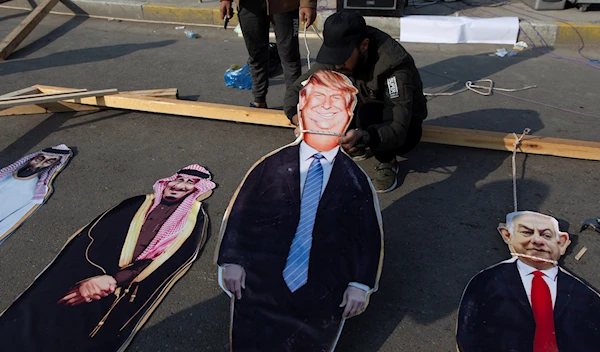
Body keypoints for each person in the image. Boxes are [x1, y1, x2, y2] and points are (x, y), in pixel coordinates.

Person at [216, 70, 383, 351]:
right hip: (261, 280)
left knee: (308, 342)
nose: (327, 106)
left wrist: (360, 283)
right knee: (252, 339)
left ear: (348, 114)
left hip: (324, 287)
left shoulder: (355, 180)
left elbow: (367, 236)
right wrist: (232, 260)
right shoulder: (270, 166)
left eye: (336, 100)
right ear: (302, 107)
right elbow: (242, 214)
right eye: (319, 98)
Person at [0, 165, 216, 352]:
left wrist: (115, 278)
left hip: (122, 285)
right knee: (36, 308)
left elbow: (174, 258)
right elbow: (92, 236)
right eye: (178, 180)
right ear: (166, 183)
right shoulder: (136, 203)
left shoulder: (191, 220)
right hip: (87, 269)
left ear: (197, 190)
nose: (181, 185)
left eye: (190, 183)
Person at [283, 10, 428, 193]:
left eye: (342, 58)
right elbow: (295, 92)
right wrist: (302, 121)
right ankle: (354, 144)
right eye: (333, 57)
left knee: (370, 114)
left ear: (364, 45)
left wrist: (365, 137)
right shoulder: (339, 55)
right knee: (326, 97)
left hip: (404, 125)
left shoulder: (394, 65)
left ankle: (387, 161)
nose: (337, 65)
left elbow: (398, 125)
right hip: (363, 105)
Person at [456, 211, 600, 352]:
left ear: (561, 242)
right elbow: (468, 332)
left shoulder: (584, 294)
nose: (537, 241)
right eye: (527, 233)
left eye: (546, 235)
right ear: (507, 235)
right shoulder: (488, 281)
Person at [220, 0, 316, 108]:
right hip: (249, 6)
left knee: (289, 56)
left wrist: (308, 4)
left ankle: (294, 104)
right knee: (256, 55)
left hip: (285, 5)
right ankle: (259, 100)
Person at [0, 144, 72, 243]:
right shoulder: (3, 175)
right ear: (31, 158)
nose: (40, 163)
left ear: (52, 166)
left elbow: (13, 221)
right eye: (40, 158)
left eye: (49, 161)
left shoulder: (33, 191)